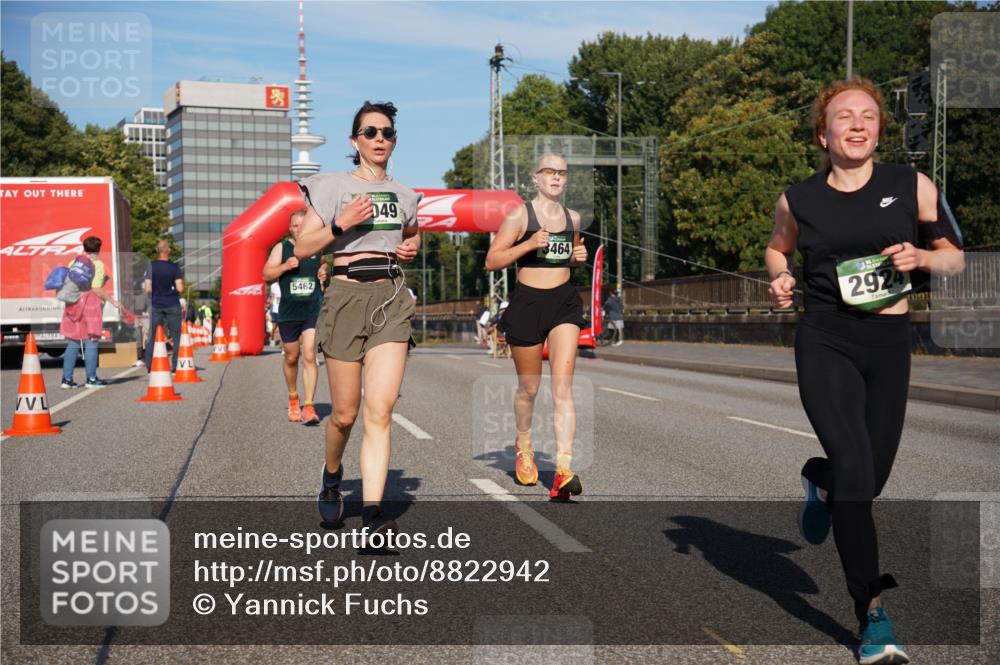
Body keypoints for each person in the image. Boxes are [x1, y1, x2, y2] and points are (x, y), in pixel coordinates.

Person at [765, 78, 964, 665]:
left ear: (880, 129)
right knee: (858, 475)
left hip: (889, 343)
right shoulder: (798, 198)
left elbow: (955, 256)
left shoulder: (912, 184)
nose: (857, 124)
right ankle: (873, 615)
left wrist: (925, 257)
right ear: (822, 133)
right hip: (826, 339)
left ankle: (819, 480)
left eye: (869, 116)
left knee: (867, 481)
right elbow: (780, 247)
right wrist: (780, 277)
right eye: (844, 116)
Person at [293, 101, 421, 535]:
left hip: (391, 299)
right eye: (370, 132)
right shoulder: (331, 187)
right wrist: (339, 224)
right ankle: (332, 478)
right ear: (355, 141)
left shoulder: (405, 194)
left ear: (395, 140)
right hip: (345, 297)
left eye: (386, 132)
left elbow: (412, 231)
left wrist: (411, 248)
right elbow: (302, 248)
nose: (379, 139)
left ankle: (372, 515)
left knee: (378, 412)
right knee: (344, 415)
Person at [485, 153, 588, 501]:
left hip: (564, 302)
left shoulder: (573, 219)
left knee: (563, 388)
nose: (557, 177)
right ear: (536, 178)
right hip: (527, 302)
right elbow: (492, 260)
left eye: (562, 172)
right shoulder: (519, 215)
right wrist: (528, 244)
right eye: (550, 172)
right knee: (529, 389)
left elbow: (571, 255)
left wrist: (576, 258)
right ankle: (524, 443)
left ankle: (562, 470)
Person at [262, 208, 327, 425]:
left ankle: (309, 406)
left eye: (302, 225)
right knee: (291, 357)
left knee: (309, 355)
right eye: (295, 225)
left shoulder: (317, 246)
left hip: (312, 309)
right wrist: (284, 266)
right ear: (290, 228)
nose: (298, 229)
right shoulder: (283, 247)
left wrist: (323, 272)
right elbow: (266, 274)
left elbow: (323, 266)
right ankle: (293, 398)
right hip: (289, 312)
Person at [60, 236, 122, 388]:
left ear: (84, 247)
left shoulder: (73, 262)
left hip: (73, 304)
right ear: (99, 249)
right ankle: (91, 379)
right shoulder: (97, 264)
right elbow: (96, 288)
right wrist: (113, 301)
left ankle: (66, 380)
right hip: (90, 305)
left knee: (73, 342)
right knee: (91, 341)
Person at [143, 239, 184, 372]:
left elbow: (147, 288)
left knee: (153, 335)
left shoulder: (151, 266)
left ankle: (149, 365)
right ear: (169, 251)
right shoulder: (175, 267)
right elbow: (180, 288)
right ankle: (176, 365)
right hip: (172, 304)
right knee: (177, 335)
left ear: (157, 251)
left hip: (156, 305)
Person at [269, 282, 282, 347]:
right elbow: (271, 296)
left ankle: (281, 343)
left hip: (283, 309)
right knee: (274, 326)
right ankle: (272, 340)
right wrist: (271, 302)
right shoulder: (273, 285)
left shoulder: (285, 283)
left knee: (282, 326)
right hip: (275, 309)